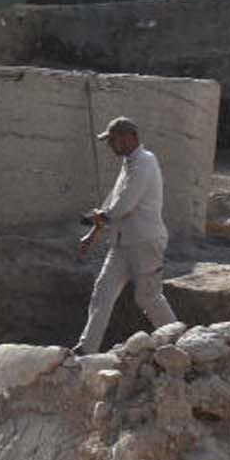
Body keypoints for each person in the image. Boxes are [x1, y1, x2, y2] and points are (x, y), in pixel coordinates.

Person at [77, 115, 178, 354]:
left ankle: (180, 342)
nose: (110, 145)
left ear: (129, 138)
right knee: (102, 294)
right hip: (122, 242)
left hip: (145, 241)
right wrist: (92, 234)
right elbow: (112, 202)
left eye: (113, 140)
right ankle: (86, 348)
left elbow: (124, 205)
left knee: (148, 298)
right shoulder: (128, 163)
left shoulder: (145, 161)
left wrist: (96, 218)